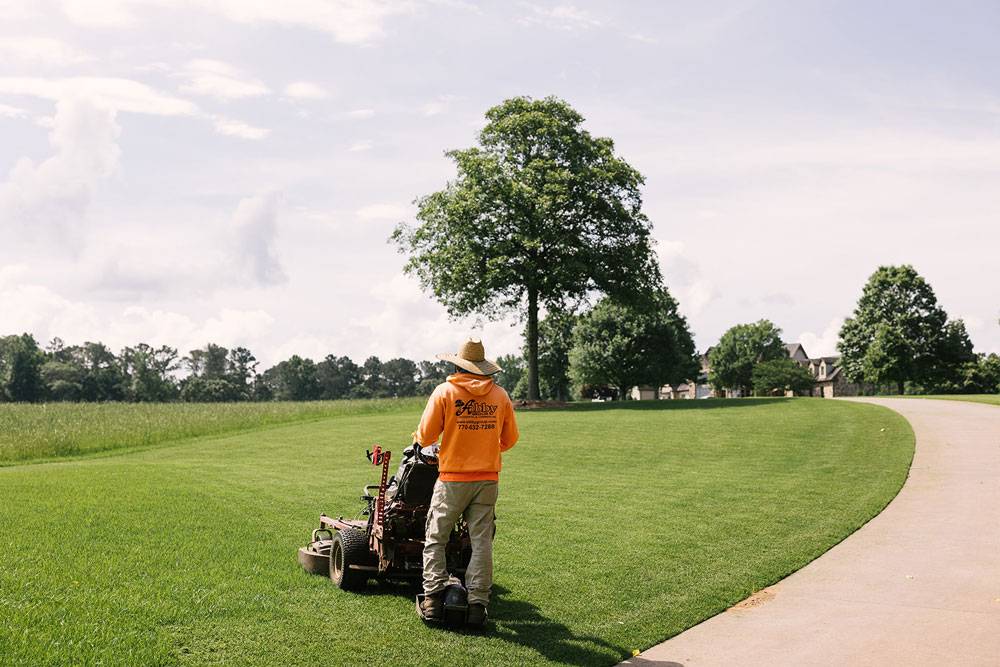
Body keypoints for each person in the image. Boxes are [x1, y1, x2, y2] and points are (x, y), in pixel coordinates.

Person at [415, 337, 519, 626]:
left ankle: (433, 601)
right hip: (487, 479)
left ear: (459, 364)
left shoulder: (445, 392)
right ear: (483, 367)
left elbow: (425, 436)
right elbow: (510, 439)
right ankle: (477, 607)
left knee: (436, 538)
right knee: (481, 542)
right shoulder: (500, 396)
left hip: (452, 480)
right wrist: (484, 448)